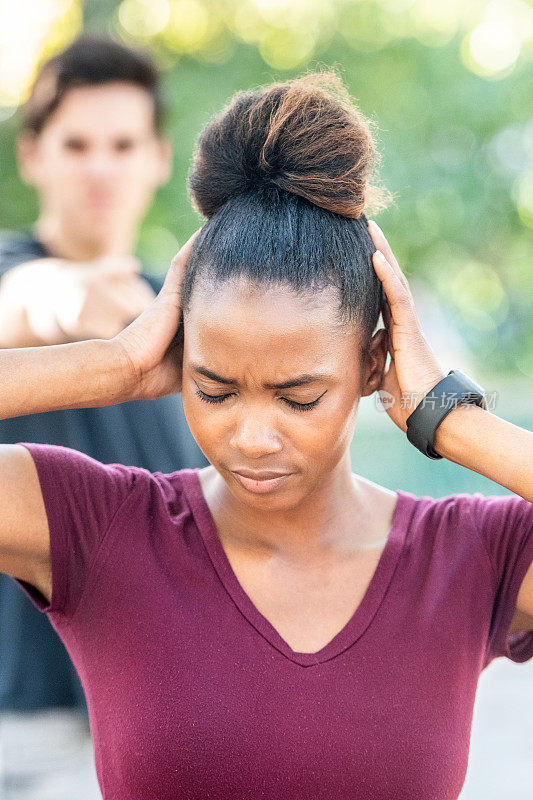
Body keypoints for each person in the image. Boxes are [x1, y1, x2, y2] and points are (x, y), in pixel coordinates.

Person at [0, 71, 532, 800]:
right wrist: (113, 364)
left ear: (372, 364)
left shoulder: (469, 558)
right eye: (214, 388)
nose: (250, 436)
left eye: (297, 397)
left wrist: (447, 415)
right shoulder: (97, 527)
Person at [0, 35, 206, 797]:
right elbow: (26, 301)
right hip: (22, 726)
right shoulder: (19, 275)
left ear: (157, 157)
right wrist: (71, 303)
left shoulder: (193, 314)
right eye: (76, 143)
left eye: (121, 144)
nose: (99, 167)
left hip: (159, 720)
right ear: (33, 155)